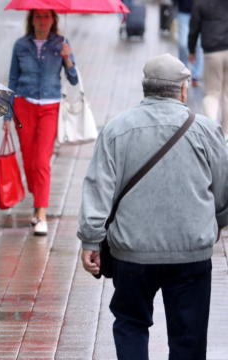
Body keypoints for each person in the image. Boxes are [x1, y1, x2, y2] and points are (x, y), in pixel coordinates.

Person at [78, 54, 228, 359]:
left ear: (145, 89)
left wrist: (91, 239)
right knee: (189, 336)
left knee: (131, 323)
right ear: (184, 89)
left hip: (131, 252)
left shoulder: (116, 130)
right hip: (190, 251)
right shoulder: (206, 130)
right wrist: (215, 224)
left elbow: (98, 189)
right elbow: (224, 188)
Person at [3, 9, 78, 236]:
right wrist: (7, 115)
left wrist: (68, 58)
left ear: (54, 19)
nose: (43, 21)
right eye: (38, 16)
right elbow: (13, 80)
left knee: (42, 160)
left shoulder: (61, 44)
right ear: (31, 19)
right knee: (28, 161)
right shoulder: (20, 45)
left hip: (50, 107)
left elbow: (73, 80)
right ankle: (38, 202)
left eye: (47, 16)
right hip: (23, 106)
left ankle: (41, 213)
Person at [188, 0, 228, 138]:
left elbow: (194, 27)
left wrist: (191, 49)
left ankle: (211, 126)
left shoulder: (201, 2)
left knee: (212, 93)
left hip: (212, 52)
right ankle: (226, 135)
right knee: (227, 95)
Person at [173, 0, 203, 86]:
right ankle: (183, 71)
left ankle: (196, 75)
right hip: (184, 10)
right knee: (183, 44)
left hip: (200, 11)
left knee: (199, 45)